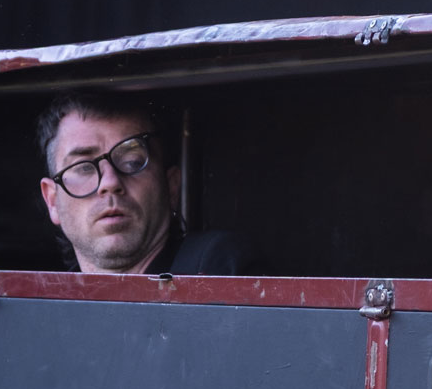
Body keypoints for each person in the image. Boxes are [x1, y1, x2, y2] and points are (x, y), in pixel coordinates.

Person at [37, 93, 264, 276]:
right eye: (84, 167)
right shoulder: (42, 309)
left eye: (132, 162)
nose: (110, 183)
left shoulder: (219, 269)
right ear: (53, 201)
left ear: (171, 186)